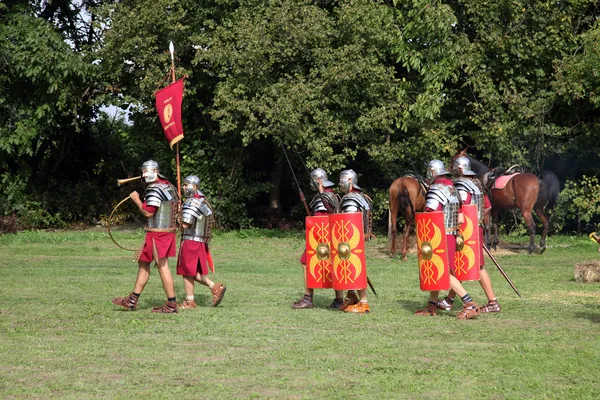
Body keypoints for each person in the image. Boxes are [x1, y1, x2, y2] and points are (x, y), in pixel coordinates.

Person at [414, 160, 480, 319]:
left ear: (432, 172)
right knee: (437, 269)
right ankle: (431, 306)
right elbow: (461, 217)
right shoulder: (453, 188)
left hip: (439, 236)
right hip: (452, 235)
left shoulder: (436, 190)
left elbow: (431, 213)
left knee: (443, 272)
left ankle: (469, 304)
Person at [112, 160, 180, 313]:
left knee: (162, 266)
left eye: (145, 171)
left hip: (158, 233)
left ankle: (171, 304)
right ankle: (132, 300)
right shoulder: (168, 186)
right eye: (142, 172)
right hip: (162, 231)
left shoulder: (155, 189)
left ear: (154, 171)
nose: (143, 175)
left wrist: (136, 200)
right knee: (143, 263)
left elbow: (149, 212)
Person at [437, 156, 500, 313]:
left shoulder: (459, 185)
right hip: (475, 229)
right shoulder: (477, 184)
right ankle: (449, 300)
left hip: (463, 230)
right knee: (464, 264)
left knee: (476, 266)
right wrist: (476, 221)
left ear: (459, 170)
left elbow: (458, 210)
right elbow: (487, 207)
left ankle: (492, 302)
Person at [291, 168, 343, 309]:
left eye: (313, 180)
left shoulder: (324, 197)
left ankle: (308, 298)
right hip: (331, 238)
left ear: (319, 181)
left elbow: (323, 219)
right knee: (333, 264)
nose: (311, 183)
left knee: (306, 262)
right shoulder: (332, 195)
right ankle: (339, 300)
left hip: (321, 238)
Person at [177, 175, 226, 309]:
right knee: (191, 271)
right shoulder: (203, 201)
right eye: (184, 185)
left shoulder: (192, 202)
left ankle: (190, 301)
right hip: (199, 241)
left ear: (195, 187)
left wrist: (178, 215)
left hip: (191, 240)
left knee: (187, 271)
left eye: (187, 185)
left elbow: (185, 225)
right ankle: (213, 288)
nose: (184, 187)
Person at [338, 169, 372, 314]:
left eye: (343, 179)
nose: (340, 182)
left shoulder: (350, 199)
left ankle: (363, 303)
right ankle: (351, 295)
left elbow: (349, 223)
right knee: (351, 268)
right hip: (359, 238)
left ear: (350, 181)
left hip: (352, 239)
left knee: (355, 269)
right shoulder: (361, 197)